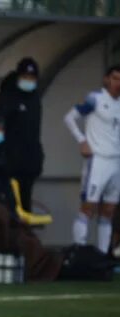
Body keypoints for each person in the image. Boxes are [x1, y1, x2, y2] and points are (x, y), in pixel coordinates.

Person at [63, 64, 120, 255]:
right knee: (89, 207)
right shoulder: (95, 99)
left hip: (116, 162)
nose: (117, 83)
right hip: (98, 160)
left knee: (109, 211)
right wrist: (82, 141)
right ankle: (79, 251)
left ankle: (103, 257)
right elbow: (70, 118)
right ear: (106, 79)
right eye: (115, 78)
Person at [0, 57, 43, 213]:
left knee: (25, 207)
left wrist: (37, 160)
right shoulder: (4, 98)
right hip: (8, 164)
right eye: (25, 77)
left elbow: (34, 133)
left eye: (32, 78)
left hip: (29, 165)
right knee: (7, 207)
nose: (29, 81)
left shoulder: (34, 99)